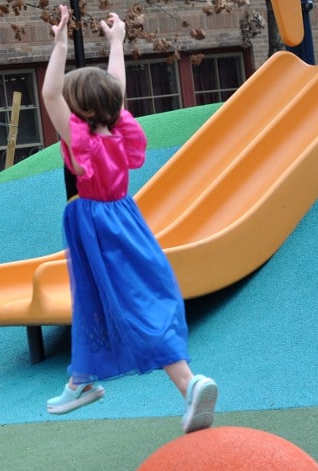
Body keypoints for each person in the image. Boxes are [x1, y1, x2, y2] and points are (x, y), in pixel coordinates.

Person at [40, 5, 218, 433]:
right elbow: (115, 88)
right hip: (127, 218)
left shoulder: (79, 139)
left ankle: (187, 383)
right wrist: (116, 42)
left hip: (97, 226)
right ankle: (81, 380)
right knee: (106, 300)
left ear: (77, 108)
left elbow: (48, 95)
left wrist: (61, 44)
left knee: (122, 302)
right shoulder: (118, 131)